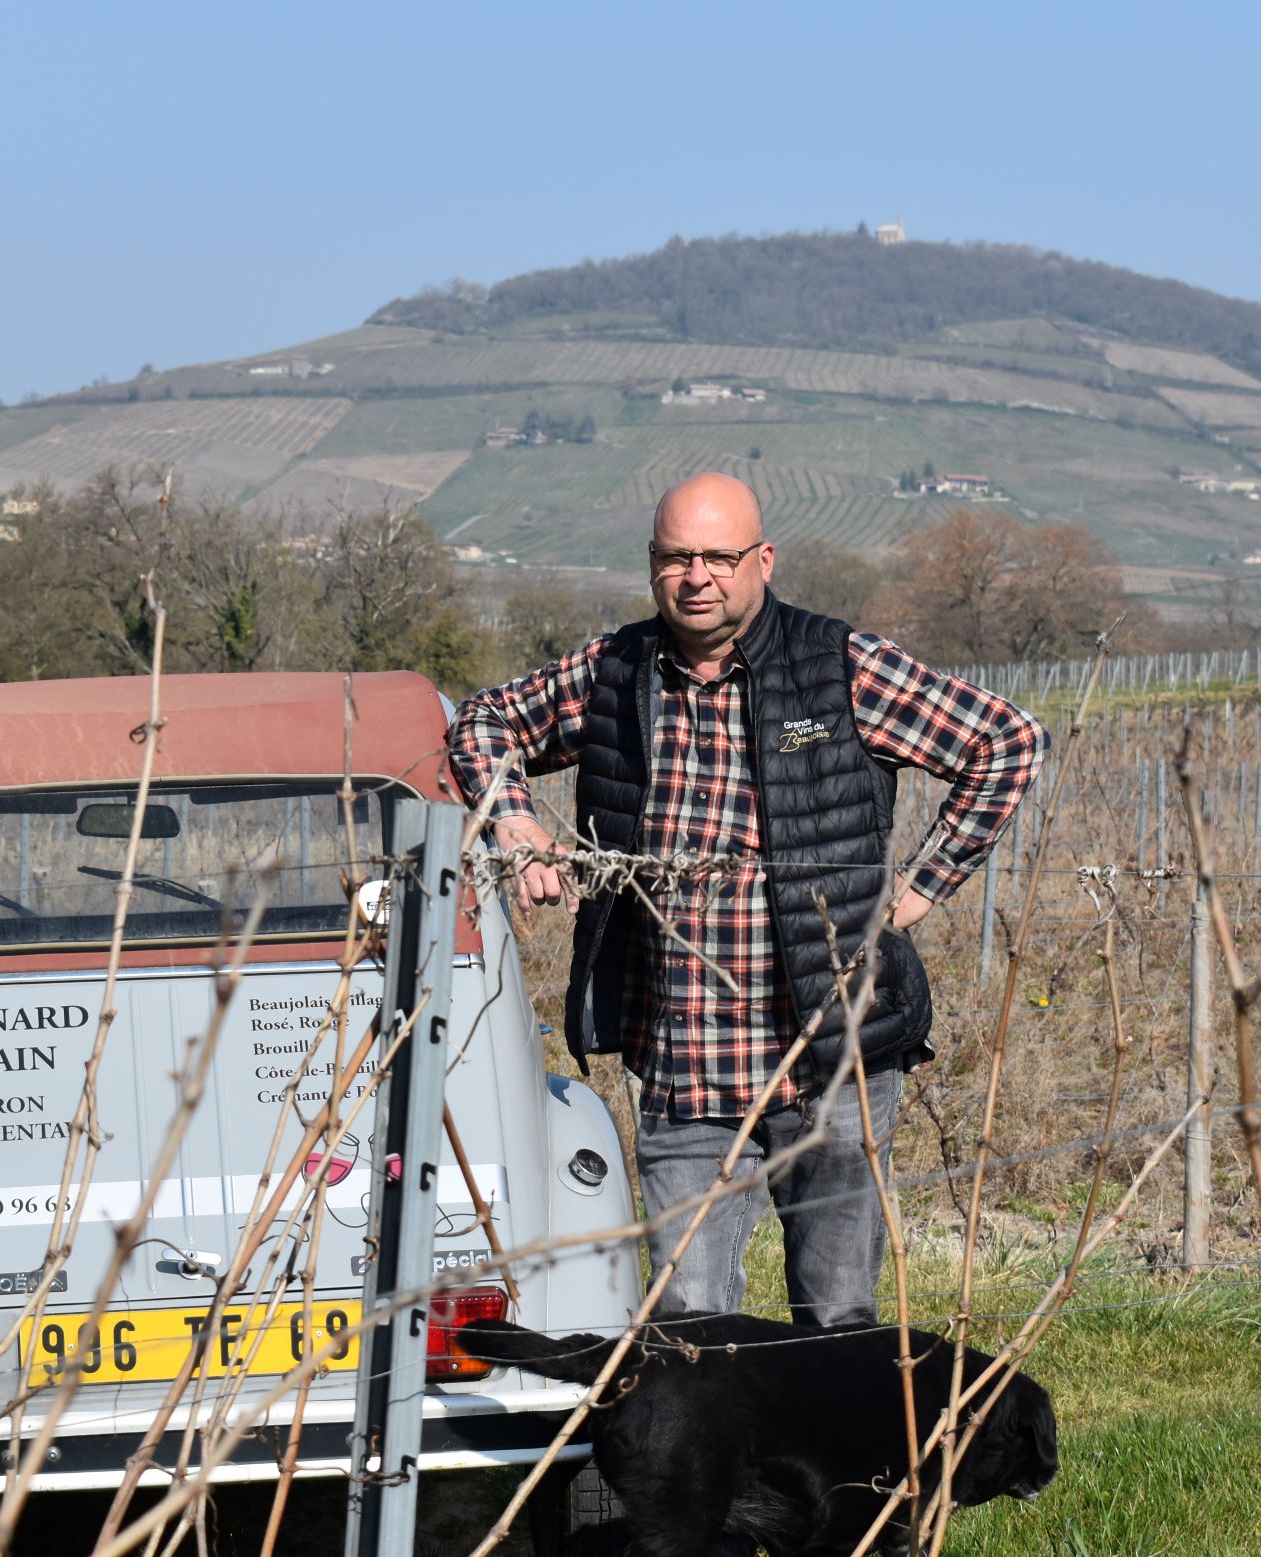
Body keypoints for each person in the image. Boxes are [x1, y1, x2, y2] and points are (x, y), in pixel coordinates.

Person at [447, 472, 1048, 1330]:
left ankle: (840, 1470)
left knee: (837, 1312)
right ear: (652, 565)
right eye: (675, 557)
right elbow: (480, 723)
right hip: (682, 1053)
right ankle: (723, 1470)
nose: (697, 576)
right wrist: (514, 822)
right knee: (689, 1318)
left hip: (831, 1053)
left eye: (719, 557)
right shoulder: (613, 674)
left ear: (762, 560)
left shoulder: (839, 669)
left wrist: (921, 885)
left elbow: (1008, 741)